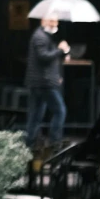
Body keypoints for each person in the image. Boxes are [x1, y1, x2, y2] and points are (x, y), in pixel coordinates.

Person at [24, 16, 70, 150]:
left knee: (35, 116)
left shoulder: (44, 37)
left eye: (56, 21)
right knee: (60, 111)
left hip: (41, 81)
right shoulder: (40, 37)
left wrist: (62, 53)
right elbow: (43, 57)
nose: (55, 24)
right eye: (51, 21)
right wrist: (60, 50)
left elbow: (49, 59)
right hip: (44, 83)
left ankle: (29, 146)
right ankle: (55, 143)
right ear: (43, 21)